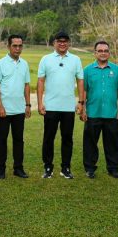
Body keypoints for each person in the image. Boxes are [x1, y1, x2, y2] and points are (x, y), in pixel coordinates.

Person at [37, 31, 84, 179]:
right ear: (54, 43)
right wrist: (40, 103)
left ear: (69, 43)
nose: (62, 43)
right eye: (59, 41)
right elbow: (40, 81)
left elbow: (80, 81)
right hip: (51, 106)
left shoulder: (76, 59)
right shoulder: (46, 59)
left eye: (65, 41)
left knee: (67, 138)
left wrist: (81, 102)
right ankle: (48, 167)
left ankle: (66, 168)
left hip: (68, 107)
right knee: (48, 138)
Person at [81, 40, 118, 178]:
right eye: (100, 51)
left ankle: (113, 168)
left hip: (111, 113)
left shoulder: (116, 69)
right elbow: (84, 90)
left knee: (112, 143)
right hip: (92, 112)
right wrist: (82, 108)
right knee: (90, 143)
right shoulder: (88, 70)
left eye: (105, 51)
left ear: (109, 53)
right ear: (95, 53)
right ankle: (90, 168)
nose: (103, 53)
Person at [0, 34, 32, 179]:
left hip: (19, 109)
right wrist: (0, 106)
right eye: (14, 45)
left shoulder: (25, 64)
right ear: (8, 46)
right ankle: (1, 168)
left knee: (18, 140)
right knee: (1, 140)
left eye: (20, 45)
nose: (17, 48)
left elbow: (27, 85)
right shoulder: (1, 63)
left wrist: (28, 105)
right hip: (4, 109)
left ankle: (18, 168)